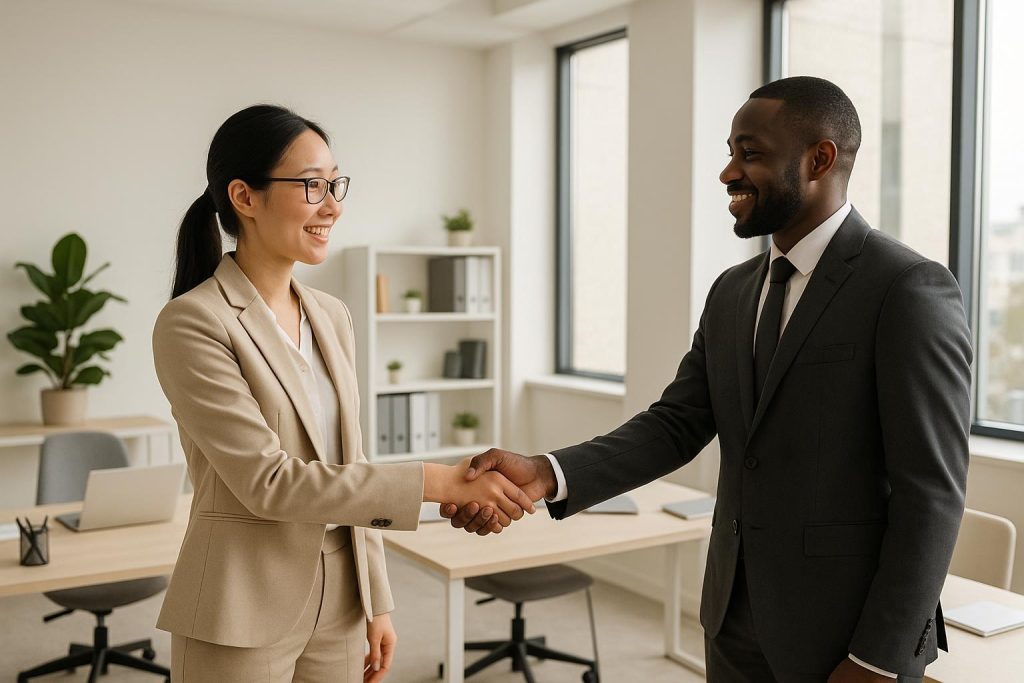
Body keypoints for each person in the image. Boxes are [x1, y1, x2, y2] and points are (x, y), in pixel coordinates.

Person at [442, 77, 972, 683]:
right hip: (733, 618)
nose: (728, 173)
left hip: (848, 637)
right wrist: (545, 472)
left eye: (751, 154)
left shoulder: (906, 288)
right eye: (730, 152)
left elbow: (931, 494)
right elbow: (677, 424)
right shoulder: (732, 292)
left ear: (820, 159)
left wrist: (877, 659)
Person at [152, 104, 534, 683]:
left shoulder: (333, 316)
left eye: (335, 184)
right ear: (244, 197)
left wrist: (376, 600)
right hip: (242, 599)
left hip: (341, 598)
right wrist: (436, 481)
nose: (333, 205)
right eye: (311, 186)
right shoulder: (194, 321)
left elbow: (349, 466)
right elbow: (268, 482)